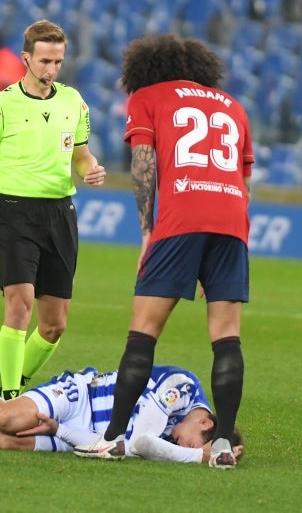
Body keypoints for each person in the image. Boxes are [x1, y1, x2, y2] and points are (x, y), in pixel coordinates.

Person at [73, 34, 253, 469]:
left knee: (143, 331)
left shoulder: (147, 97)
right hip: (231, 221)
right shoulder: (232, 106)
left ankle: (113, 437)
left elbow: (143, 164)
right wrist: (234, 238)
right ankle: (224, 442)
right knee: (226, 337)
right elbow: (244, 179)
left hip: (179, 220)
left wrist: (146, 232)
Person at [0, 19, 106, 400]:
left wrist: (90, 170)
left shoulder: (73, 102)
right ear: (26, 58)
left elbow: (80, 156)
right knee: (20, 304)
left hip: (61, 215)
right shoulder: (2, 105)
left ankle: (12, 390)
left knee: (54, 326)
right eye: (44, 61)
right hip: (15, 213)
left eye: (57, 62)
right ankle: (10, 398)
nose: (50, 70)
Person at [0, 365, 244, 463]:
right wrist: (200, 456)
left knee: (7, 442)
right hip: (81, 396)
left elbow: (122, 447)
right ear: (205, 423)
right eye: (193, 443)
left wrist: (60, 430)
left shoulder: (172, 442)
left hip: (85, 434)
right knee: (9, 418)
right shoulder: (182, 386)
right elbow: (142, 440)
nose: (182, 444)